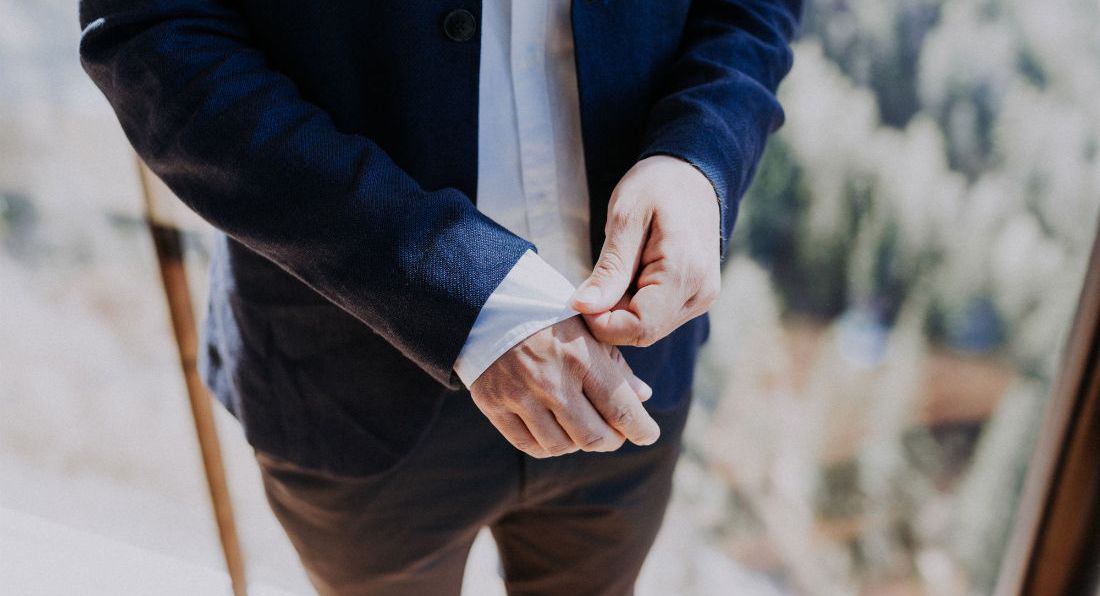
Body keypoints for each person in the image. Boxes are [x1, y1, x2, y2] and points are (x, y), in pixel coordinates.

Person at [79, 1, 800, 594]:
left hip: (634, 369)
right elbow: (150, 32)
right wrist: (458, 286)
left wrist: (701, 152)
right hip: (350, 375)